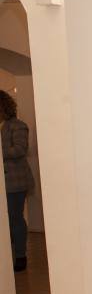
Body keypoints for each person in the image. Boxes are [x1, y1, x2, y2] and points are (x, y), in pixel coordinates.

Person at [1, 90, 35, 272]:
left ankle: (20, 255)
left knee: (15, 219)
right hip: (3, 182)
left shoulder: (18, 126)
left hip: (15, 181)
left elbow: (20, 150)